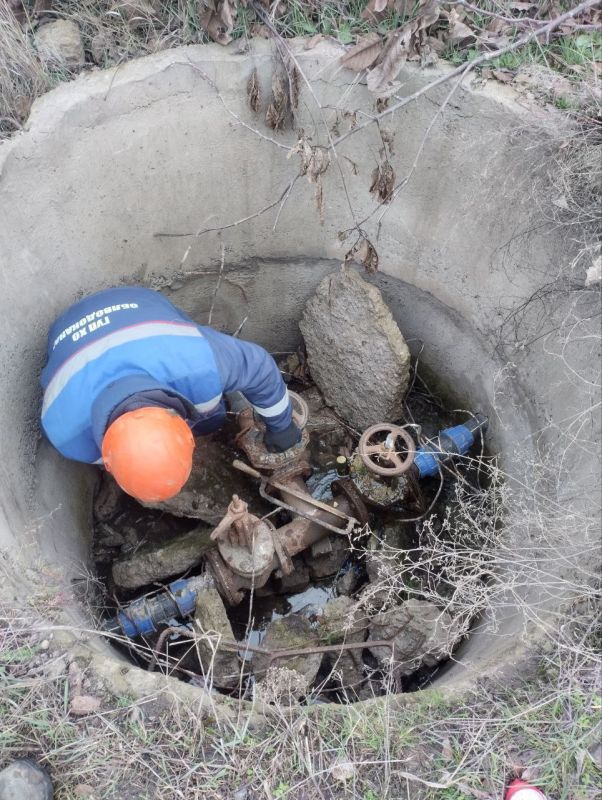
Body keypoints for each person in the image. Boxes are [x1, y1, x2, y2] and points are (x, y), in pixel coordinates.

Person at [40, 287, 301, 503]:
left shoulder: (196, 361)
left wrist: (281, 425)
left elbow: (258, 366)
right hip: (67, 331)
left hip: (138, 301)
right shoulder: (66, 435)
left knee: (211, 403)